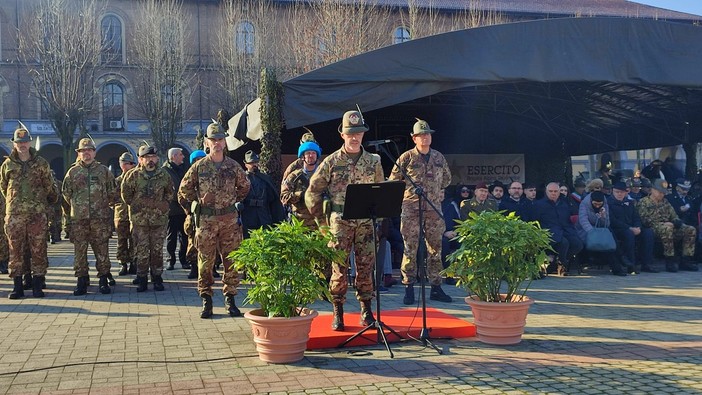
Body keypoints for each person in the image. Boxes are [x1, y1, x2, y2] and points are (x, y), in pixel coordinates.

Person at [305, 110, 384, 331]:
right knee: (339, 268)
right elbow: (312, 193)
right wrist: (322, 224)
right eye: (350, 133)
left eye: (358, 133)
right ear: (343, 135)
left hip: (366, 222)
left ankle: (366, 310)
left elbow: (380, 190)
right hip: (340, 222)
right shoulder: (331, 162)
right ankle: (338, 311)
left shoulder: (373, 161)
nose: (355, 137)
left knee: (366, 267)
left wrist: (380, 217)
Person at [178, 122, 250, 318]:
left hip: (229, 221)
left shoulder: (233, 166)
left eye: (220, 139)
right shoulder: (199, 167)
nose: (217, 143)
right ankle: (207, 300)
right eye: (213, 140)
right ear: (207, 142)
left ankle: (230, 299)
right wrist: (196, 204)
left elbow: (244, 187)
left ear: (225, 142)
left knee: (232, 261)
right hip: (207, 221)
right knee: (205, 262)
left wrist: (232, 201)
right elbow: (183, 190)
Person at [388, 118, 453, 305]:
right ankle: (409, 287)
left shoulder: (439, 157)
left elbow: (447, 179)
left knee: (435, 249)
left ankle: (436, 287)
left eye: (427, 134)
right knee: (410, 248)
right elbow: (394, 181)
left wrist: (434, 190)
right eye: (421, 135)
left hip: (433, 209)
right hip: (411, 210)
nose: (425, 138)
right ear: (414, 138)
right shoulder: (406, 158)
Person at [0, 126, 58, 299]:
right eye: (19, 142)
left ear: (29, 142)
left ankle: (37, 285)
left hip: (36, 214)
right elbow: (3, 187)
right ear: (14, 144)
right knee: (15, 250)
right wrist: (15, 203)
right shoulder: (7, 164)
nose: (22, 145)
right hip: (15, 216)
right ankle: (17, 286)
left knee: (38, 249)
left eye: (25, 141)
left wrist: (42, 204)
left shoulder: (41, 163)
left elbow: (49, 187)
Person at [63, 137, 116, 296]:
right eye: (83, 151)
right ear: (78, 153)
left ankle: (103, 280)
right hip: (79, 220)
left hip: (100, 219)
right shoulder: (72, 172)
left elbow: (113, 193)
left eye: (89, 150)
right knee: (80, 251)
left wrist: (102, 206)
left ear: (94, 152)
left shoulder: (103, 171)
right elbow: (66, 194)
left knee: (102, 250)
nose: (86, 153)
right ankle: (81, 280)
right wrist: (78, 207)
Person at [121, 145, 174, 292]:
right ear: (140, 159)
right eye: (146, 158)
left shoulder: (163, 175)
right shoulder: (133, 175)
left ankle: (157, 277)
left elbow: (170, 194)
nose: (150, 161)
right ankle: (142, 278)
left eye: (152, 158)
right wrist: (138, 207)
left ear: (157, 158)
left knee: (157, 251)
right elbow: (126, 195)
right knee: (141, 251)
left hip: (158, 221)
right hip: (140, 221)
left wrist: (162, 206)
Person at [638, 179, 698, 272]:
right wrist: (663, 224)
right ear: (653, 190)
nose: (661, 194)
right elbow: (645, 220)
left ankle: (686, 259)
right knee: (667, 229)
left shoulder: (665, 202)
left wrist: (675, 223)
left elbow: (674, 216)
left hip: (669, 226)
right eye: (659, 192)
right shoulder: (643, 202)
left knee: (690, 229)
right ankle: (670, 260)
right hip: (653, 227)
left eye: (663, 192)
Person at [533, 182, 583, 275]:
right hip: (549, 231)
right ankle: (561, 264)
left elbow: (572, 215)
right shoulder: (539, 204)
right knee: (564, 243)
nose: (553, 193)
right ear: (546, 192)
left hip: (566, 229)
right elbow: (536, 221)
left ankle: (557, 261)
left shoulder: (565, 202)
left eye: (555, 191)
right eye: (551, 191)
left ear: (559, 192)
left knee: (578, 244)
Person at [575, 191, 628, 276]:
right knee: (602, 240)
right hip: (586, 231)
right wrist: (593, 233)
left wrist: (603, 216)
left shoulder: (605, 205)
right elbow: (583, 221)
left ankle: (618, 266)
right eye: (595, 204)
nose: (597, 206)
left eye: (599, 204)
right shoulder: (584, 204)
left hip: (600, 228)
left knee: (609, 241)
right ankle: (621, 259)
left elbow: (607, 224)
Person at [608, 181, 657, 273]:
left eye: (621, 192)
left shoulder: (630, 203)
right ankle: (631, 265)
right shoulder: (609, 203)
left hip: (633, 228)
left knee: (648, 233)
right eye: (617, 192)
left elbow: (636, 217)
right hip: (618, 230)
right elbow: (613, 221)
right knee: (629, 235)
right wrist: (629, 228)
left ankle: (646, 264)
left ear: (626, 192)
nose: (619, 194)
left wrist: (638, 227)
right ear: (612, 192)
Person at [240, 150, 286, 239]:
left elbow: (273, 199)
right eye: (251, 162)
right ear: (246, 165)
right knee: (249, 239)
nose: (254, 165)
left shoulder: (265, 178)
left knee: (266, 238)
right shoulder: (242, 179)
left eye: (256, 162)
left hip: (263, 213)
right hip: (248, 214)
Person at [281, 139, 323, 229]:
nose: (311, 156)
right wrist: (300, 195)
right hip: (300, 223)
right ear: (303, 156)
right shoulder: (293, 176)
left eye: (313, 153)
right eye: (308, 153)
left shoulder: (323, 175)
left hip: (320, 222)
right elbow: (283, 197)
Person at [163, 147, 189, 271]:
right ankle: (170, 260)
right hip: (172, 209)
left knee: (184, 236)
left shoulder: (184, 169)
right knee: (171, 237)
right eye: (180, 154)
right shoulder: (165, 171)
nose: (183, 157)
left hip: (184, 209)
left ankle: (184, 260)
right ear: (173, 156)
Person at [183, 150, 206, 280]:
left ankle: (211, 268)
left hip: (209, 215)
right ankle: (193, 267)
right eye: (198, 160)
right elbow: (182, 194)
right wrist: (190, 209)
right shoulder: (190, 175)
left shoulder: (212, 174)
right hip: (194, 214)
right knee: (193, 242)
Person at [114, 152, 137, 276]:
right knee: (121, 241)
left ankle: (134, 263)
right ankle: (123, 264)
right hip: (121, 215)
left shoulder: (136, 179)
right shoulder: (117, 181)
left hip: (135, 215)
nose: (126, 166)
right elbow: (111, 198)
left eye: (129, 163)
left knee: (134, 240)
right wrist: (117, 206)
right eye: (124, 163)